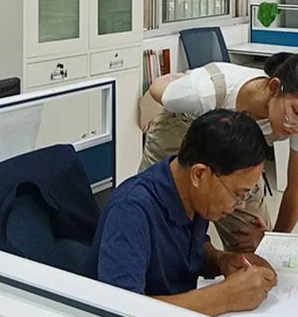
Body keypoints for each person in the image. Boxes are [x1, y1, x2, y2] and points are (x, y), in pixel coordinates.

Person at [139, 50, 298, 252]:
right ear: (275, 87)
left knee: (251, 241)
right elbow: (158, 88)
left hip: (239, 154)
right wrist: (181, 80)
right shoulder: (203, 91)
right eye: (297, 112)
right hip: (179, 136)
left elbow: (297, 189)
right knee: (158, 223)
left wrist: (274, 242)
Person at [87, 109, 278, 316]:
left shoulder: (191, 194)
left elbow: (190, 252)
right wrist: (225, 297)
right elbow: (120, 308)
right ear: (199, 174)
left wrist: (221, 260)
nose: (241, 206)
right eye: (237, 194)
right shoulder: (131, 210)